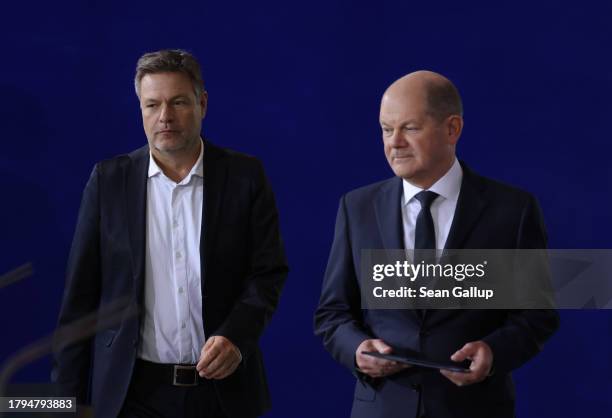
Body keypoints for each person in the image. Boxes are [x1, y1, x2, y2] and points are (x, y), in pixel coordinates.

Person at [52, 49, 288, 418]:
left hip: (222, 395)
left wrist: (236, 338)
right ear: (141, 110)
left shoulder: (245, 177)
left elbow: (268, 272)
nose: (165, 117)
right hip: (131, 395)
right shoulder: (108, 182)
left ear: (203, 103)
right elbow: (79, 302)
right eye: (152, 105)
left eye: (178, 102)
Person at [313, 71, 559, 418]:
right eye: (386, 129)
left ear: (452, 129)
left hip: (474, 408)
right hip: (382, 408)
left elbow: (538, 315)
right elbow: (332, 313)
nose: (394, 142)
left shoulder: (513, 210)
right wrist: (356, 349)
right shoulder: (357, 208)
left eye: (409, 128)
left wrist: (493, 352)